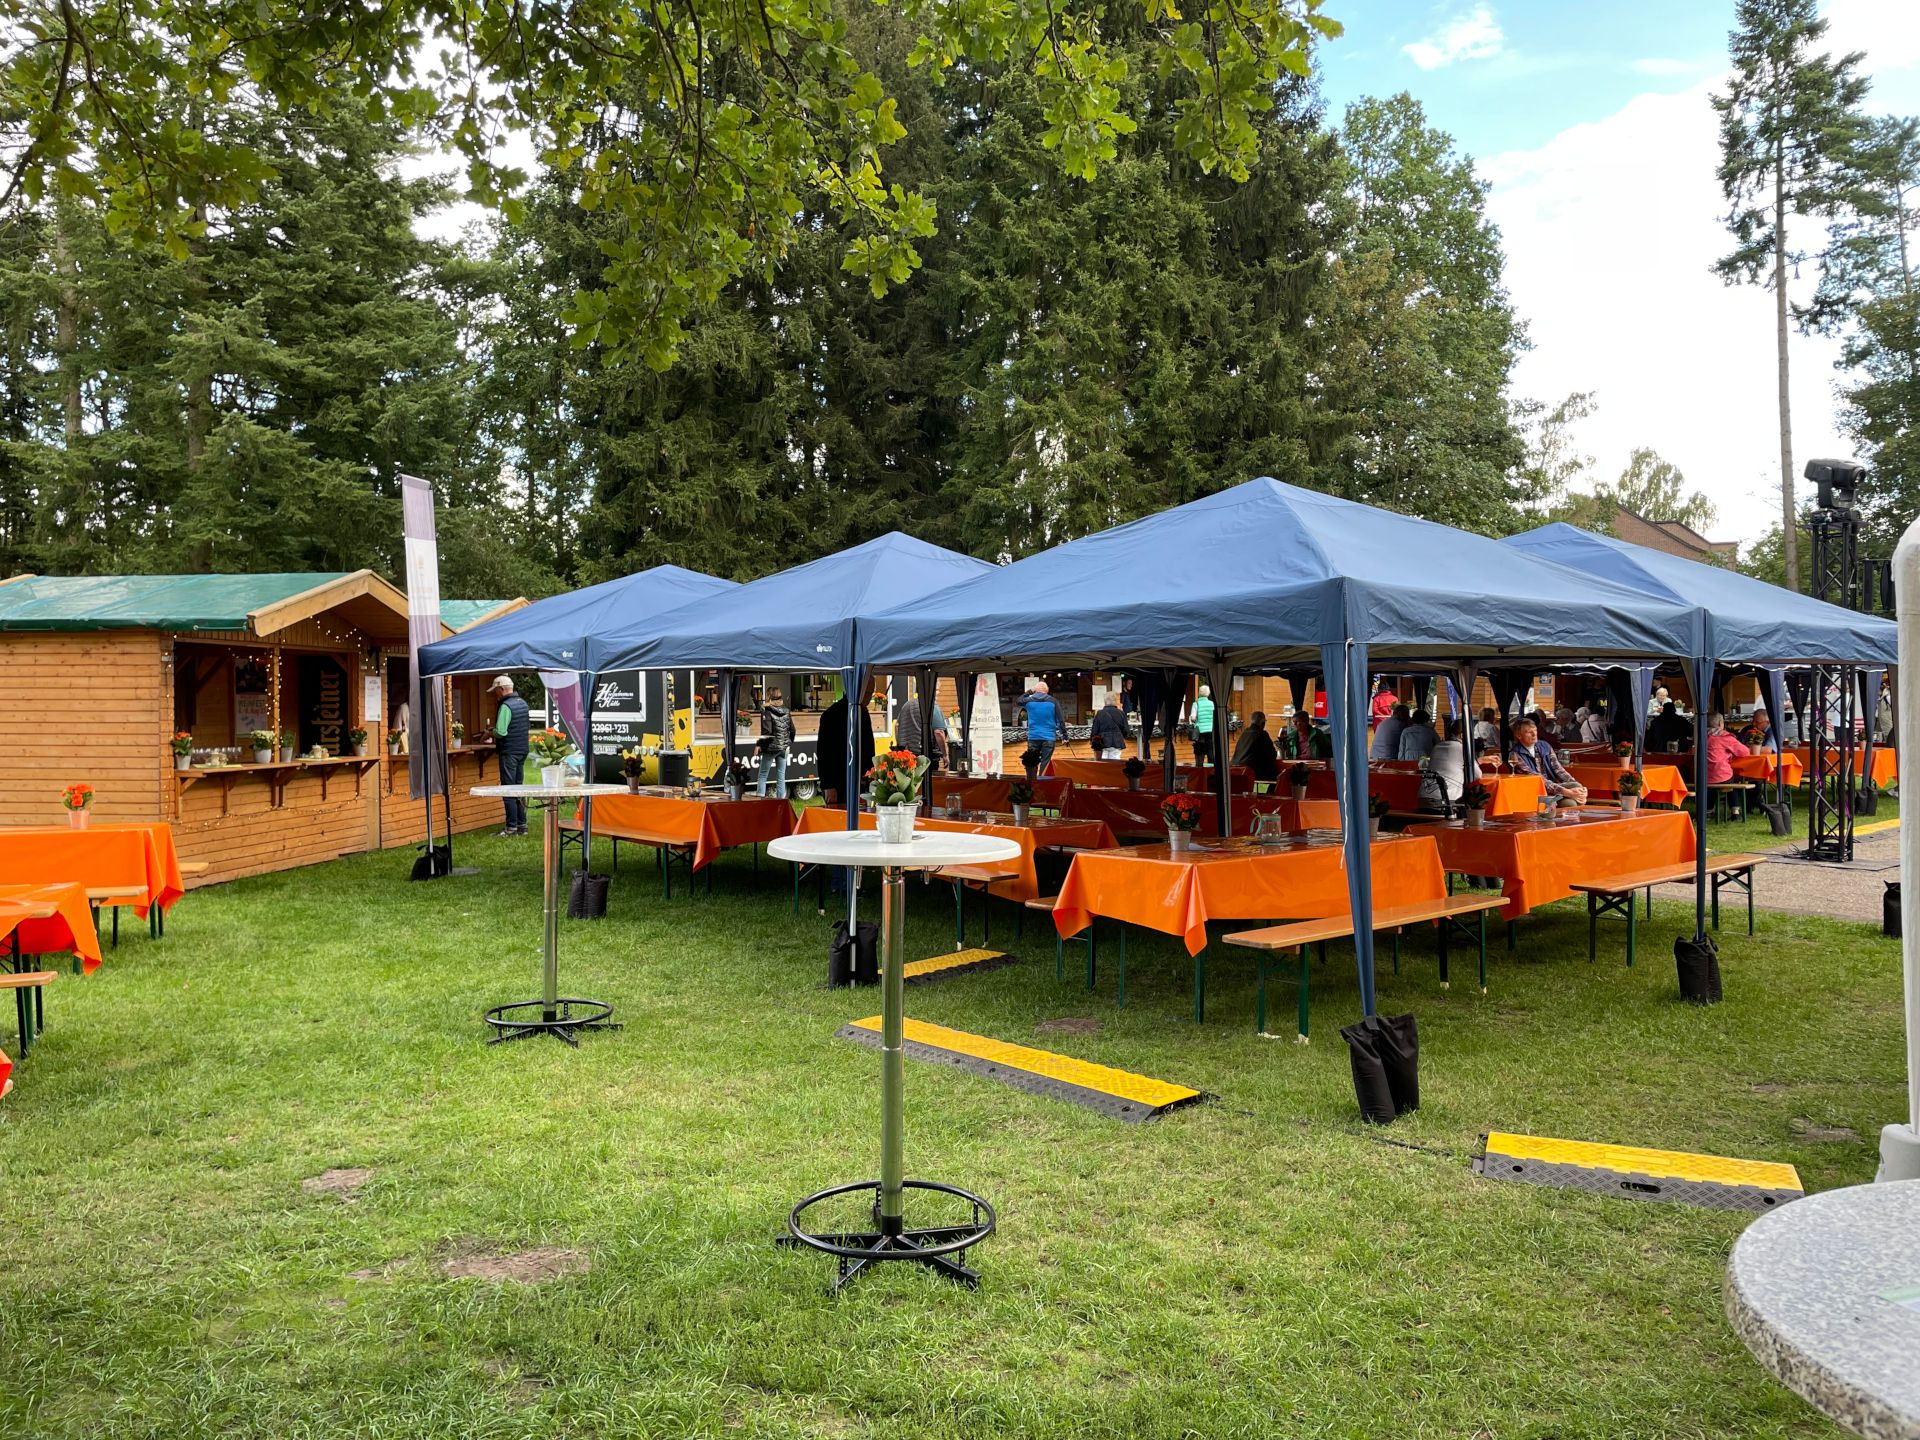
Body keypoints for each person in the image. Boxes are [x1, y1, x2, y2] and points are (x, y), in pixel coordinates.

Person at [816, 683, 875, 806]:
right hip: (837, 781)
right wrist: (828, 785)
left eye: (871, 693)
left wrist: (870, 774)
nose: (870, 698)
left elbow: (869, 747)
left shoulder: (863, 713)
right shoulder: (831, 714)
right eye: (868, 693)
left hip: (860, 781)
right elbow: (824, 753)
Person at [1508, 716, 1587, 805]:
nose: (1534, 734)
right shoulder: (1515, 754)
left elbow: (1559, 769)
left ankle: (1574, 811)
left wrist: (1578, 787)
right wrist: (1567, 792)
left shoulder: (1545, 745)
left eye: (1535, 730)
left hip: (1552, 789)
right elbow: (1537, 779)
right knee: (1570, 803)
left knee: (1576, 786)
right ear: (1519, 735)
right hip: (1534, 792)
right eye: (1529, 732)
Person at [488, 675, 531, 835]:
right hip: (522, 750)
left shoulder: (506, 706)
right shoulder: (523, 703)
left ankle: (511, 827)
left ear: (501, 689)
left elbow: (501, 731)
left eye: (495, 691)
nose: (495, 695)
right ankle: (522, 825)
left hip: (509, 752)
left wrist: (489, 732)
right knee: (518, 788)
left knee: (508, 789)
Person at [891, 680, 946, 772]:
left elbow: (897, 725)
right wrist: (945, 755)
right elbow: (938, 732)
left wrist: (901, 744)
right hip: (927, 756)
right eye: (936, 690)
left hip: (908, 755)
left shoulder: (906, 705)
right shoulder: (932, 706)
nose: (938, 693)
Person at [1016, 680, 1060, 782]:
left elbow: (1018, 701)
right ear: (1047, 691)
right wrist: (1065, 736)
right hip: (1049, 737)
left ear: (1036, 691)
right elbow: (1060, 719)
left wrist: (1030, 691)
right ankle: (1043, 784)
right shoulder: (1053, 701)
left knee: (1031, 763)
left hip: (1033, 737)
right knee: (1045, 762)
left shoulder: (1029, 701)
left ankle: (1031, 784)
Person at [757, 687, 793, 797]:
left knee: (763, 775)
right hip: (784, 748)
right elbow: (793, 730)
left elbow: (766, 732)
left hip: (771, 747)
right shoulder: (787, 711)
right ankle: (781, 803)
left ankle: (760, 803)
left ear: (768, 697)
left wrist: (759, 745)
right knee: (781, 776)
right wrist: (788, 743)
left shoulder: (766, 712)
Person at [1704, 712, 1752, 786]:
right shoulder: (1725, 737)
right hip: (1720, 775)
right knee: (1735, 779)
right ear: (1720, 723)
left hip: (1701, 776)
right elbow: (1745, 752)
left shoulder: (1700, 736)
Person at [1231, 710, 1280, 782]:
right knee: (1279, 776)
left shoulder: (1245, 733)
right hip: (1251, 770)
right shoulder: (1262, 734)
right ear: (1263, 723)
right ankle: (1268, 793)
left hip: (1234, 768)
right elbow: (1272, 754)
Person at [1090, 692, 1129, 759]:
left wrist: (1092, 741)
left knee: (1103, 764)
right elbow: (1126, 730)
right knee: (1115, 764)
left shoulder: (1099, 713)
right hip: (1117, 742)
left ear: (1105, 701)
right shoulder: (1121, 713)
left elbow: (1095, 730)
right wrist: (1121, 736)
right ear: (1115, 701)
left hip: (1103, 743)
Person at [1191, 684, 1216, 767]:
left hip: (1200, 731)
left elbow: (1193, 718)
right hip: (1210, 730)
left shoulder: (1196, 704)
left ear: (1199, 693)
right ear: (1208, 693)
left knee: (1199, 751)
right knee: (1210, 750)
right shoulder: (1212, 703)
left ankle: (1199, 767)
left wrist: (1196, 720)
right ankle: (1211, 768)